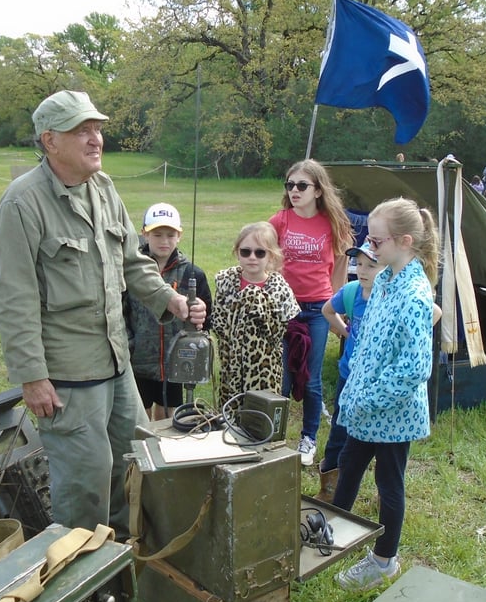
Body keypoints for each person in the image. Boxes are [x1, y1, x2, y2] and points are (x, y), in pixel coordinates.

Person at [0, 90, 206, 537]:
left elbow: (132, 262)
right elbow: (13, 298)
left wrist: (171, 300)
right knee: (85, 485)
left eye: (97, 129)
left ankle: (125, 552)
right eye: (82, 131)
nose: (96, 139)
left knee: (135, 461)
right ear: (50, 141)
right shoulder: (22, 203)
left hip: (116, 362)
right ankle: (83, 568)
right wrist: (32, 377)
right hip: (67, 375)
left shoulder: (104, 189)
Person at [332, 197, 440, 591]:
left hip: (393, 414)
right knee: (349, 462)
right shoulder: (384, 281)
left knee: (388, 483)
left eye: (376, 242)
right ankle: (330, 532)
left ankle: (384, 560)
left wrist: (368, 398)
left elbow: (414, 368)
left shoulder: (414, 295)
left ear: (405, 241)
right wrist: (354, 388)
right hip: (365, 406)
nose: (369, 248)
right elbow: (367, 342)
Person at [269, 159, 354, 466]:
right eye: (290, 185)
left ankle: (309, 439)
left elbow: (340, 266)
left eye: (302, 185)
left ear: (318, 190)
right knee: (281, 379)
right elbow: (265, 258)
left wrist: (337, 307)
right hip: (285, 306)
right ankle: (274, 438)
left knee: (312, 380)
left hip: (318, 308)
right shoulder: (279, 221)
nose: (294, 190)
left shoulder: (333, 223)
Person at [128, 202, 212, 420]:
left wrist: (198, 315)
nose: (164, 241)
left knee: (169, 416)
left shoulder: (193, 273)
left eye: (170, 235)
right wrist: (130, 345)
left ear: (179, 235)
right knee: (140, 418)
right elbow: (122, 313)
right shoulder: (131, 273)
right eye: (157, 234)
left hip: (176, 361)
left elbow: (206, 320)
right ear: (144, 234)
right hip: (138, 362)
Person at [317, 241, 383, 501]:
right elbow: (327, 310)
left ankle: (383, 491)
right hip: (349, 374)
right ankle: (329, 489)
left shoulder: (393, 296)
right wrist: (346, 331)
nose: (363, 270)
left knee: (380, 439)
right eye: (359, 264)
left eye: (371, 265)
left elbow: (433, 312)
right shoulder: (352, 291)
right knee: (339, 429)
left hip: (377, 381)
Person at [212, 222, 299, 409]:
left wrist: (256, 300)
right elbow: (218, 323)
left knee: (260, 416)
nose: (252, 257)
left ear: (271, 256)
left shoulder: (279, 289)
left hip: (264, 369)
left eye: (260, 253)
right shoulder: (225, 283)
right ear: (237, 252)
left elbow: (278, 332)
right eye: (246, 252)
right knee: (229, 414)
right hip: (230, 366)